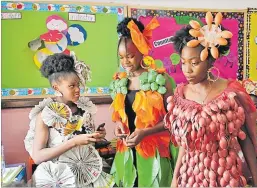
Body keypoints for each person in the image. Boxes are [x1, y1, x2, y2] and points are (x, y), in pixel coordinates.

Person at [164, 12, 257, 187]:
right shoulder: (181, 95)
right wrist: (175, 178)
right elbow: (186, 145)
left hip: (225, 176)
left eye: (194, 63)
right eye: (183, 62)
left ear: (210, 62)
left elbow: (244, 139)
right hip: (191, 177)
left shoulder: (231, 93)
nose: (187, 70)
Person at [24, 53, 114, 187]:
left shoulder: (84, 110)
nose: (78, 90)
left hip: (87, 174)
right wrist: (73, 142)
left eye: (78, 85)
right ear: (56, 87)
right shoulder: (45, 116)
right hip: (60, 179)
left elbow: (86, 146)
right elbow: (38, 156)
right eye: (71, 86)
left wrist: (96, 136)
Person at [110, 17, 177, 187]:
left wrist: (145, 132)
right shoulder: (119, 81)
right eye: (121, 57)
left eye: (130, 56)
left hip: (154, 153)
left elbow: (173, 120)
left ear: (142, 50)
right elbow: (120, 114)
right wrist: (118, 123)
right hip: (126, 151)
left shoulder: (161, 80)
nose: (125, 62)